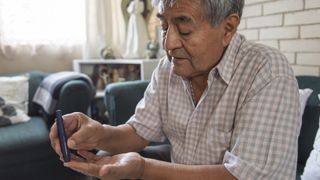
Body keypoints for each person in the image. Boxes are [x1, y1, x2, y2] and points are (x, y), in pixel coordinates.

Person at [50, 0, 301, 179]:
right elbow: (139, 131)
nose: (168, 43)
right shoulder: (168, 69)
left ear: (228, 28)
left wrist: (143, 170)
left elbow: (245, 176)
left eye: (184, 29)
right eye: (164, 27)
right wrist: (98, 132)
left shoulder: (266, 71)